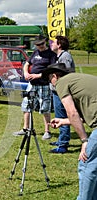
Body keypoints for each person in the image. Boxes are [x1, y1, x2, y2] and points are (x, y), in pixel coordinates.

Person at [42, 63, 97, 200]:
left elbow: (72, 112)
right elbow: (84, 115)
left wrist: (84, 141)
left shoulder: (62, 83)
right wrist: (63, 121)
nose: (51, 84)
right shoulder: (78, 80)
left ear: (55, 76)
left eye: (50, 80)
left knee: (86, 163)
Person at [13, 35, 57, 140]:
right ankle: (25, 129)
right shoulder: (35, 53)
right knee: (26, 105)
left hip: (44, 85)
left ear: (45, 43)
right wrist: (26, 72)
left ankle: (47, 131)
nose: (40, 46)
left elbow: (52, 70)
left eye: (41, 44)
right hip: (32, 84)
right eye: (37, 45)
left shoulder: (51, 55)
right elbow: (27, 64)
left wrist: (39, 75)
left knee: (45, 107)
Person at [49, 35, 76, 153]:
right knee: (60, 115)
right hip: (57, 90)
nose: (51, 44)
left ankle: (63, 144)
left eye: (53, 42)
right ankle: (61, 139)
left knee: (62, 117)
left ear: (59, 45)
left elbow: (66, 74)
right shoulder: (59, 56)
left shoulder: (65, 57)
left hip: (61, 91)